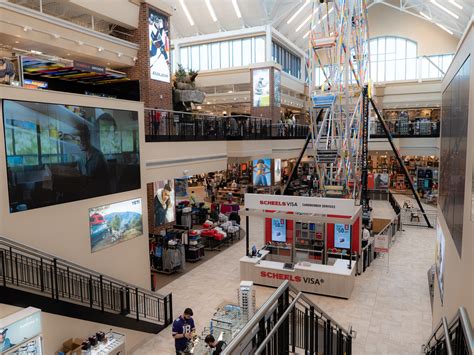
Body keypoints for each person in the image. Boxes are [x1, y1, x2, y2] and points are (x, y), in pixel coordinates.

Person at [77, 124, 110, 197]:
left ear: (88, 138)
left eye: (83, 138)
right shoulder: (80, 159)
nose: (81, 142)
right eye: (78, 140)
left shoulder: (99, 156)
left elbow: (106, 185)